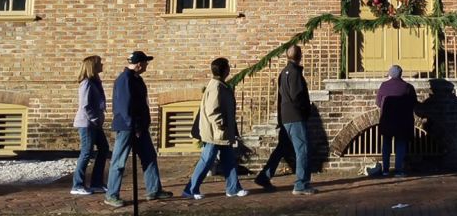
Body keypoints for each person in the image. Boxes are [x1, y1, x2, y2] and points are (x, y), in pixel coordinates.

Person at [104, 51, 172, 208]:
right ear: (139, 64)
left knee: (149, 156)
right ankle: (111, 194)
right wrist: (133, 126)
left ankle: (154, 189)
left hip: (139, 126)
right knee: (119, 161)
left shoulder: (136, 79)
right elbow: (123, 106)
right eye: (146, 63)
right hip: (127, 127)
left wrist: (143, 124)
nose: (147, 66)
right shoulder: (124, 80)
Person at [254, 45, 317, 195]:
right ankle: (301, 184)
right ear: (299, 55)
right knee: (302, 150)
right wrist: (305, 110)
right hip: (295, 116)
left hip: (286, 116)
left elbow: (281, 97)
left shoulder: (283, 73)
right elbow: (297, 96)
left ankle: (264, 176)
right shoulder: (295, 73)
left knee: (282, 148)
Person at [182, 57, 248, 199]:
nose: (230, 69)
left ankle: (233, 188)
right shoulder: (216, 87)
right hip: (215, 133)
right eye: (228, 67)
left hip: (221, 133)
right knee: (207, 160)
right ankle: (190, 189)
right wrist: (221, 124)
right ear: (224, 70)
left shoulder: (219, 85)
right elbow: (213, 110)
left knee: (229, 160)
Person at [71, 55, 109, 195]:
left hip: (95, 124)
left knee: (104, 148)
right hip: (87, 124)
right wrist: (94, 119)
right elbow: (85, 106)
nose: (102, 64)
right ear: (92, 66)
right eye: (100, 62)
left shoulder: (95, 82)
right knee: (86, 152)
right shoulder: (86, 83)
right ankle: (77, 185)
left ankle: (97, 183)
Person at [376, 64, 417, 177]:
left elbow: (378, 103)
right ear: (400, 74)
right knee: (401, 145)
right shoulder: (408, 87)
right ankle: (399, 170)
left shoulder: (384, 86)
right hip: (403, 121)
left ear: (390, 74)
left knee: (386, 145)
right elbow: (413, 103)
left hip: (387, 120)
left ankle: (385, 170)